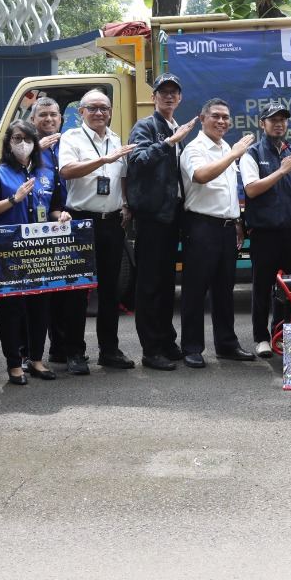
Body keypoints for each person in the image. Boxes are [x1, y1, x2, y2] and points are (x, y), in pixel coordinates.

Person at [0, 121, 70, 385]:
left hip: (39, 252)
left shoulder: (46, 173)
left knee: (40, 307)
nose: (23, 144)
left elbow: (53, 206)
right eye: (17, 139)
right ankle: (13, 364)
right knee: (12, 310)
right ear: (8, 143)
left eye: (27, 138)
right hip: (8, 253)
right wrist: (12, 200)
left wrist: (61, 215)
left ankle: (36, 359)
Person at [58, 89, 137, 375]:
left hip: (112, 222)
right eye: (92, 108)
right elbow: (67, 171)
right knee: (78, 291)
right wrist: (103, 161)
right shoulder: (71, 138)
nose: (99, 113)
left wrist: (126, 203)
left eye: (104, 108)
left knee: (110, 290)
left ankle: (109, 350)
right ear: (81, 112)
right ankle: (75, 353)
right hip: (81, 220)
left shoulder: (115, 139)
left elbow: (122, 175)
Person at [179, 98, 258, 367]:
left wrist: (236, 221)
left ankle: (226, 344)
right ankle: (191, 347)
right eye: (216, 116)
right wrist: (234, 154)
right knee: (195, 290)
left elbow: (227, 191)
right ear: (202, 119)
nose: (222, 121)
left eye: (226, 116)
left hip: (226, 228)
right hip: (201, 226)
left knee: (225, 290)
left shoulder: (225, 146)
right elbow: (201, 176)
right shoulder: (195, 148)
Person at [126, 73, 197, 371]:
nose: (169, 96)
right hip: (152, 217)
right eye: (163, 92)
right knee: (149, 286)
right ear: (154, 97)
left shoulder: (174, 127)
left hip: (172, 216)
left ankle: (167, 340)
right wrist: (168, 142)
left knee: (168, 285)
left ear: (180, 98)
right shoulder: (146, 127)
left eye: (174, 93)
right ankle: (151, 349)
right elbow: (137, 161)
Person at [242, 103, 291, 356]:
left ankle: (283, 334)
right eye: (273, 120)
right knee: (262, 286)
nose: (279, 124)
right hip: (264, 233)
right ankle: (261, 337)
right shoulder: (252, 153)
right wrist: (281, 171)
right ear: (262, 124)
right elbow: (251, 189)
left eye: (283, 119)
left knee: (290, 288)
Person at [29, 96, 73, 367]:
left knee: (64, 290)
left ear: (60, 118)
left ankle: (60, 348)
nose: (49, 119)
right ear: (34, 119)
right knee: (36, 295)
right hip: (36, 229)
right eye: (43, 115)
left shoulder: (68, 143)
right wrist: (34, 149)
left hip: (65, 220)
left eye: (53, 115)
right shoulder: (27, 145)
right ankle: (28, 353)